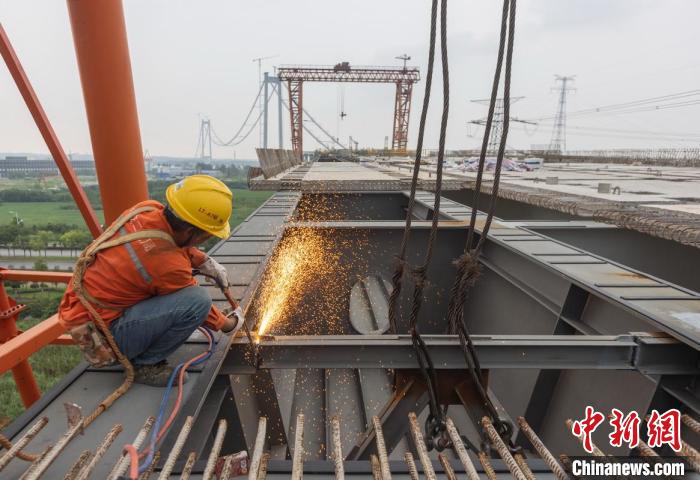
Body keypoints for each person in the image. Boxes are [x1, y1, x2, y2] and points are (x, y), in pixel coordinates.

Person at [58, 174, 244, 387]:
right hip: (104, 340)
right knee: (198, 300)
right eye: (206, 236)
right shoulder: (168, 266)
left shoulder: (147, 209)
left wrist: (204, 261)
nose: (206, 240)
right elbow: (199, 307)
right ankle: (145, 365)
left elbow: (166, 242)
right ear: (190, 230)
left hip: (90, 314)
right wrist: (230, 324)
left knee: (190, 297)